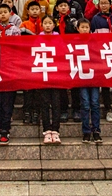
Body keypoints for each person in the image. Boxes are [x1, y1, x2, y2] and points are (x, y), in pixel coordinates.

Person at [0, 4, 21, 144]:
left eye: (5, 12)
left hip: (9, 71)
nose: (2, 15)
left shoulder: (15, 29)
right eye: (0, 13)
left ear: (10, 14)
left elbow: (18, 45)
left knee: (7, 103)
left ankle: (5, 130)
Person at [90, 0, 112, 122]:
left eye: (106, 3)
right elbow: (93, 36)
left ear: (110, 5)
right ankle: (108, 110)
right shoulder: (95, 19)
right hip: (103, 53)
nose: (104, 5)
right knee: (105, 83)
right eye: (101, 3)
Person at [75, 18, 101, 143]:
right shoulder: (73, 42)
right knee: (85, 104)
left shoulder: (94, 41)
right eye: (82, 27)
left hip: (94, 76)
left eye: (87, 27)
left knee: (95, 103)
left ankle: (96, 130)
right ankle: (86, 131)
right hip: (81, 76)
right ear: (77, 29)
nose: (85, 29)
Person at [38, 15, 61, 144]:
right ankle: (47, 130)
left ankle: (56, 130)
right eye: (45, 23)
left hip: (56, 75)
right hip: (43, 75)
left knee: (56, 103)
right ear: (42, 25)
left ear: (54, 25)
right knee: (45, 103)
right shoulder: (38, 38)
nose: (47, 25)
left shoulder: (58, 37)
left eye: (50, 23)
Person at [19, 0, 43, 124]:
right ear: (28, 11)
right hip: (27, 59)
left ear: (40, 11)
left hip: (40, 59)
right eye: (32, 9)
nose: (34, 11)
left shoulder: (44, 24)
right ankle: (27, 111)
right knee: (27, 88)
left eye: (36, 9)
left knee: (38, 88)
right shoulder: (23, 25)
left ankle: (36, 112)